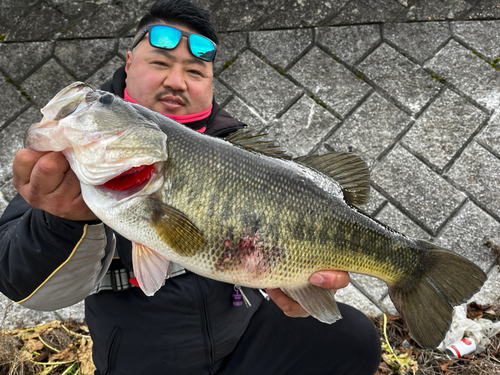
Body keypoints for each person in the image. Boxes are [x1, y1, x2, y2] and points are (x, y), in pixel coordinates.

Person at [0, 1, 381, 373]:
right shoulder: (73, 161)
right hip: (143, 352)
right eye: (160, 63)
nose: (176, 81)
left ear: (211, 82)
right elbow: (17, 279)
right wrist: (62, 219)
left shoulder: (238, 147)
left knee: (352, 339)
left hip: (245, 325)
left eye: (196, 72)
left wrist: (301, 284)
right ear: (129, 64)